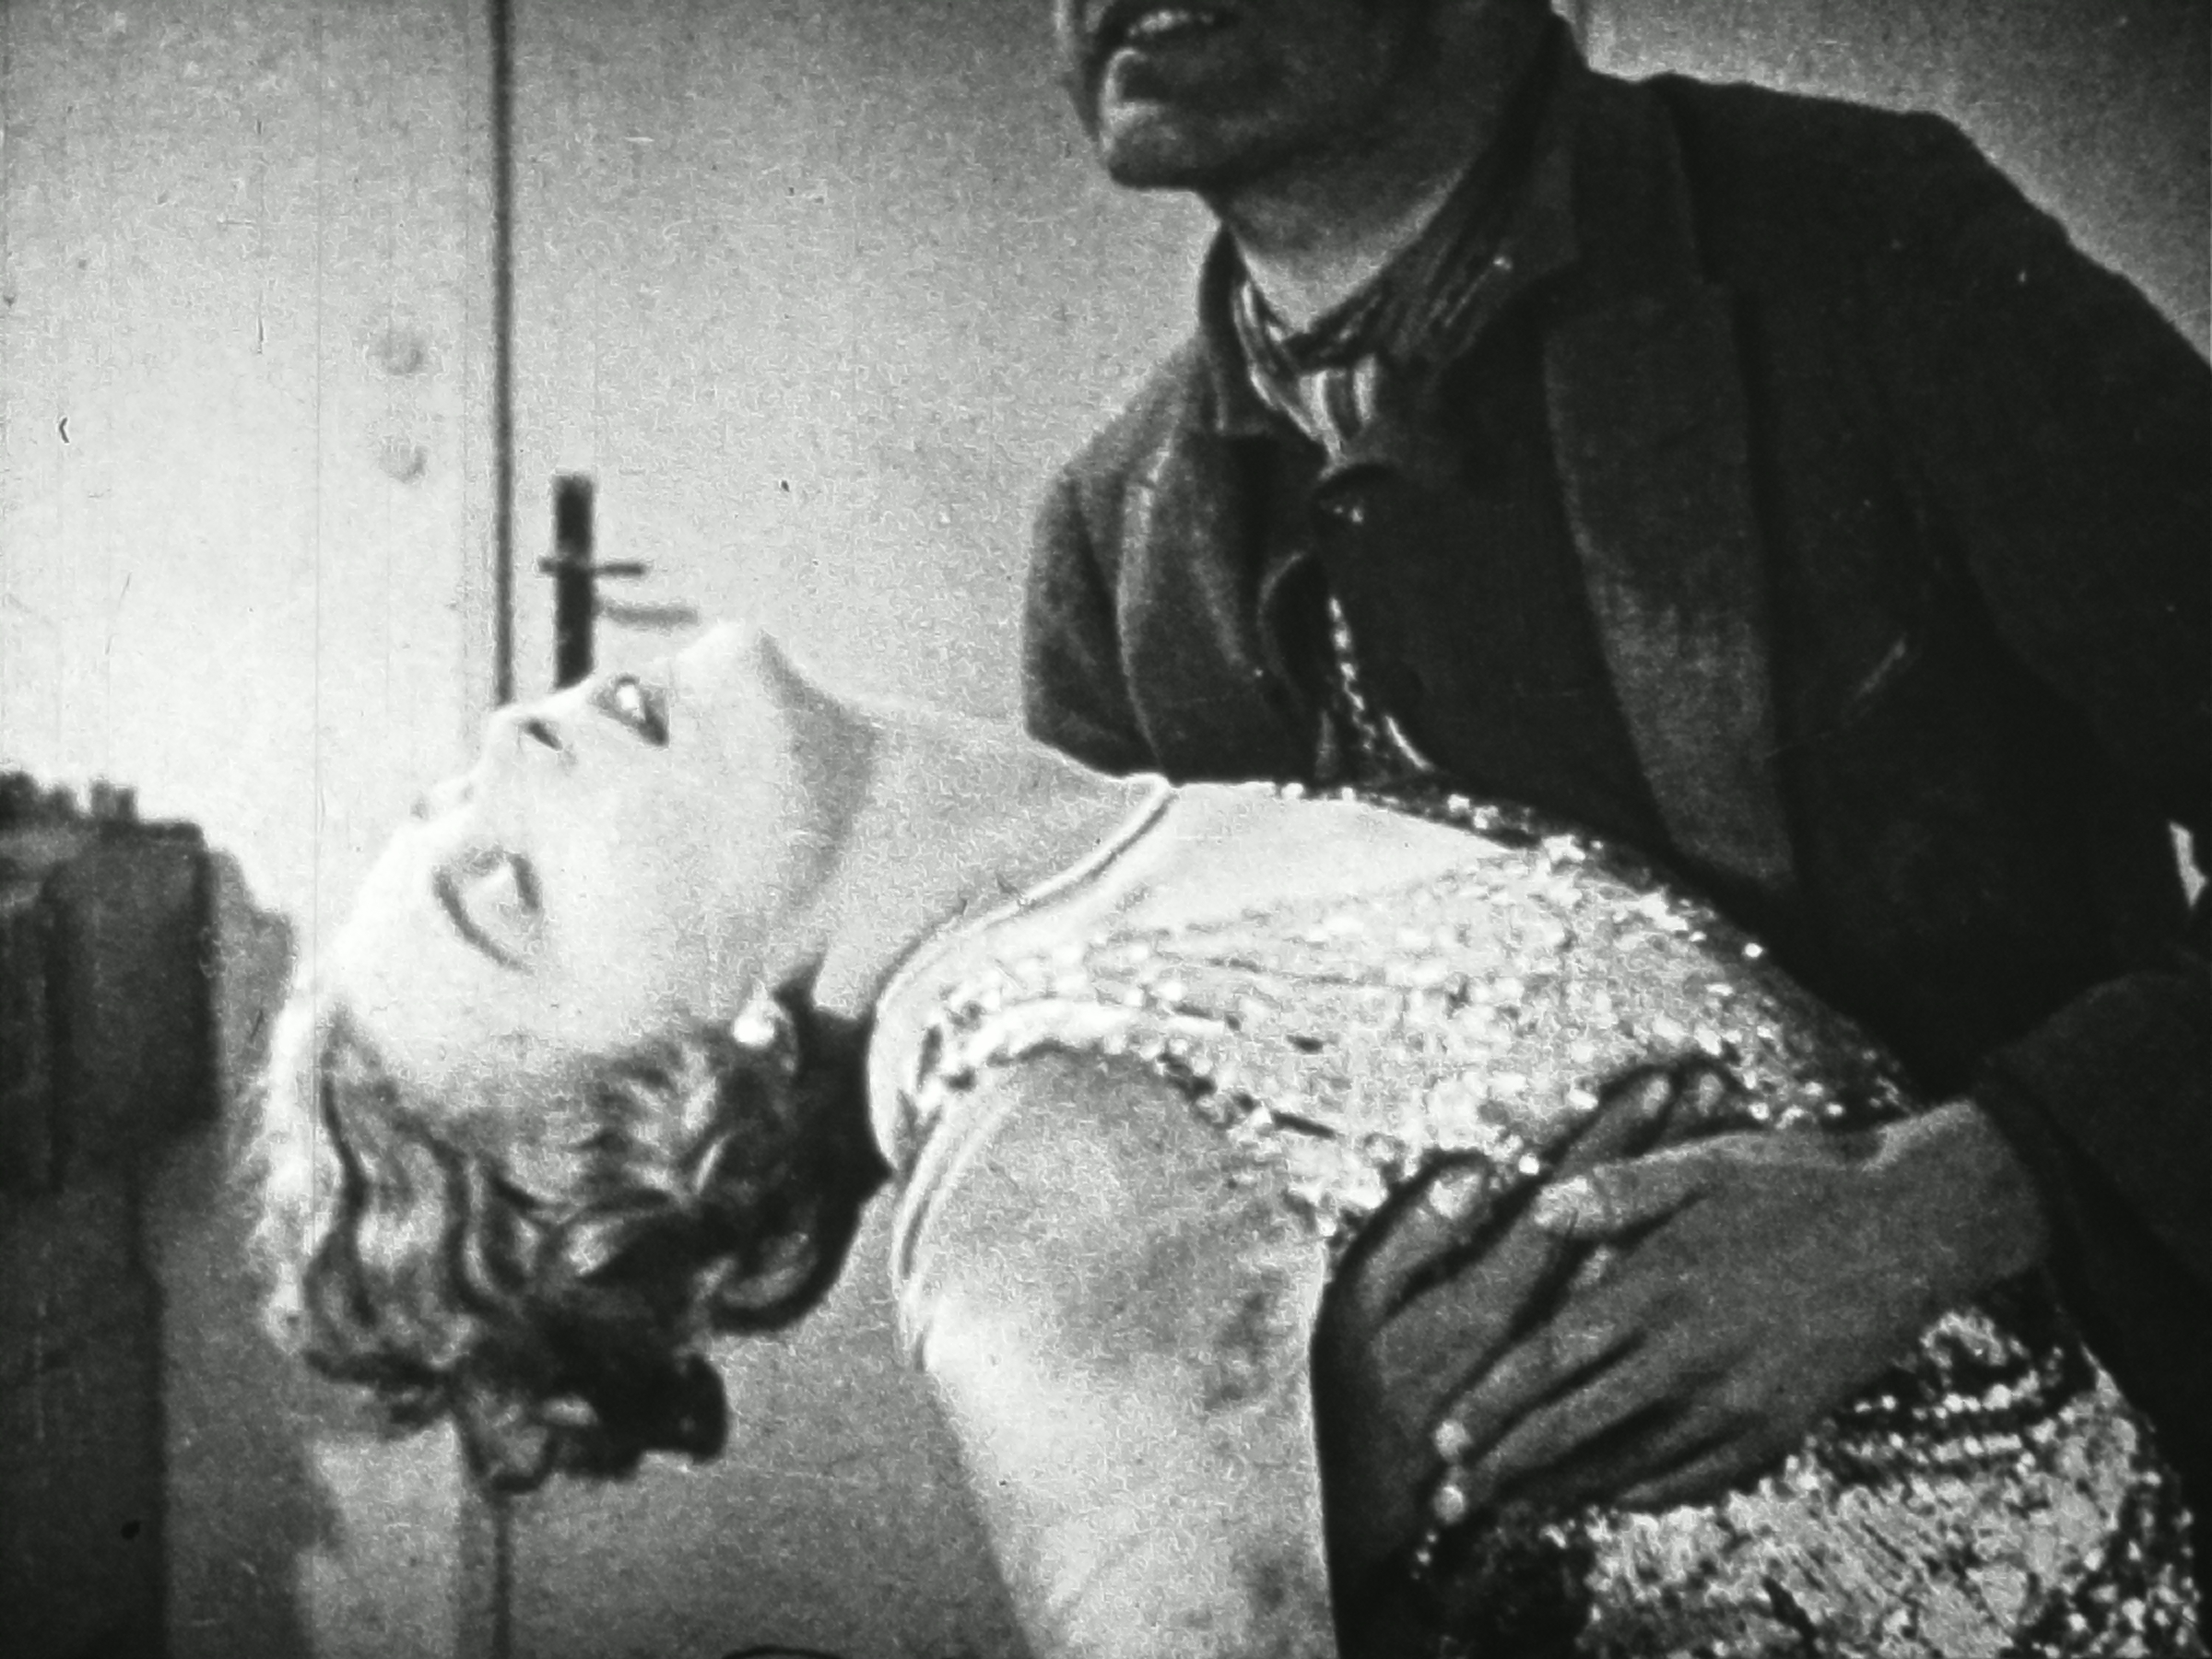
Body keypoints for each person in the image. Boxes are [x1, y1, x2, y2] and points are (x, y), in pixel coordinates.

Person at [254, 625, 2200, 1657]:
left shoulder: (1119, 843)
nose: (502, 752)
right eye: (507, 890)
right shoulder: (1035, 1170)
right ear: (690, 1090)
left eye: (438, 801)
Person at [1022, 0, 2211, 1608]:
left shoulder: (1858, 238)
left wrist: (1956, 1194)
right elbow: (1145, 1241)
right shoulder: (1116, 543)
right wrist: (1314, 1436)